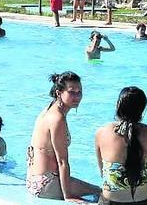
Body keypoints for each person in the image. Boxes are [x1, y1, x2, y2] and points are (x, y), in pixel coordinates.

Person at [26, 71, 100, 201]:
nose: (77, 96)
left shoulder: (49, 109)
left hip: (33, 180)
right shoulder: (57, 119)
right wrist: (68, 196)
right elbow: (62, 162)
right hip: (46, 184)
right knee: (102, 193)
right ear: (59, 93)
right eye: (71, 92)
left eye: (79, 92)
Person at [95, 87, 147, 204]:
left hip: (113, 201)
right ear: (142, 109)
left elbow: (103, 174)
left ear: (118, 106)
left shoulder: (102, 132)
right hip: (146, 201)